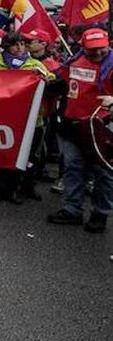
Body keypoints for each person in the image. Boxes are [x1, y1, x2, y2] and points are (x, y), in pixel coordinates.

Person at [47, 27, 113, 233]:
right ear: (83, 47)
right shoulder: (74, 62)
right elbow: (63, 84)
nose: (98, 53)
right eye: (92, 49)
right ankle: (72, 209)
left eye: (101, 49)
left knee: (103, 173)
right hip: (73, 124)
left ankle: (100, 213)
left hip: (102, 128)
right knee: (72, 168)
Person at [0, 31, 53, 203]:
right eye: (15, 44)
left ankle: (14, 188)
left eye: (22, 44)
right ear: (7, 46)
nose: (20, 47)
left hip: (29, 120)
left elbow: (51, 78)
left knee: (25, 155)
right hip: (1, 117)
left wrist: (46, 78)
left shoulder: (34, 64)